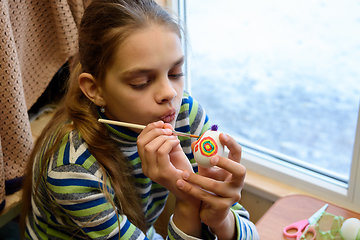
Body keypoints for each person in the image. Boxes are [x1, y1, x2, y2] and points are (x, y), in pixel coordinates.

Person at [20, 0, 259, 239]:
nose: (170, 93)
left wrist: (222, 218)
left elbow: (250, 234)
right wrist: (188, 201)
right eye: (141, 83)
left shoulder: (184, 115)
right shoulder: (74, 167)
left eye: (175, 73)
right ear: (95, 89)